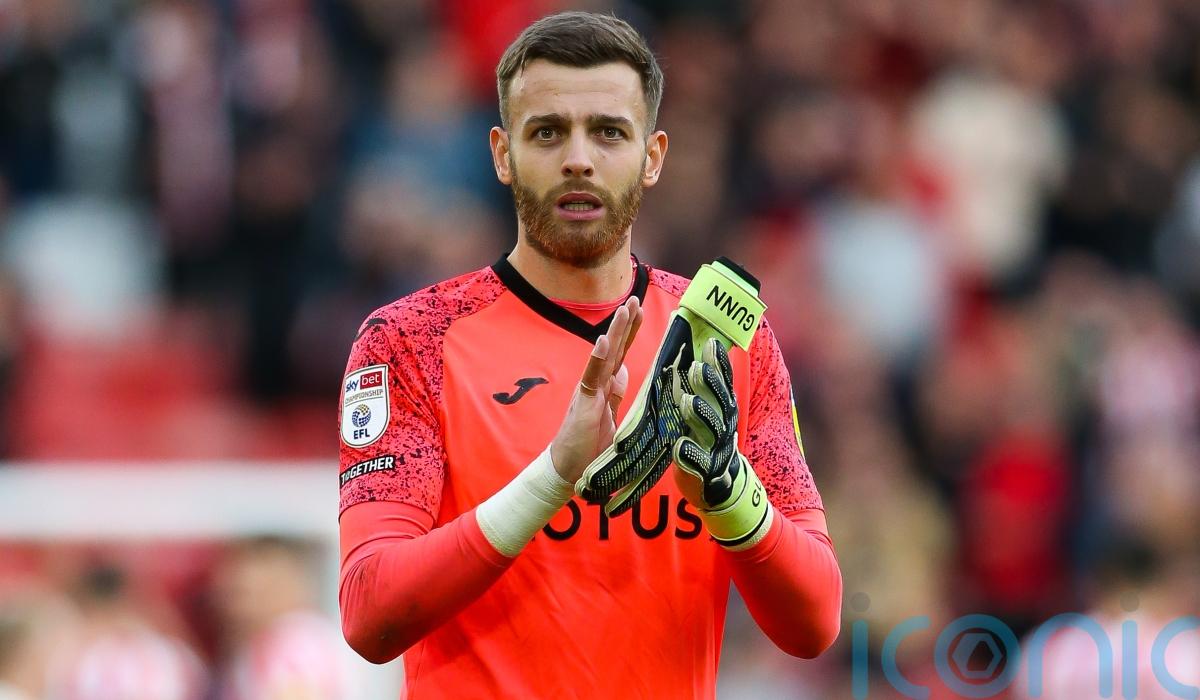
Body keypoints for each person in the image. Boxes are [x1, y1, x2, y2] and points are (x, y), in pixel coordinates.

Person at [338, 12, 842, 698]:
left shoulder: (724, 343)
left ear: (653, 156)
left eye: (609, 132)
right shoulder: (410, 339)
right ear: (502, 154)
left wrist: (728, 493)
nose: (578, 158)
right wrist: (555, 475)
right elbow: (369, 612)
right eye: (548, 132)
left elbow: (815, 624)